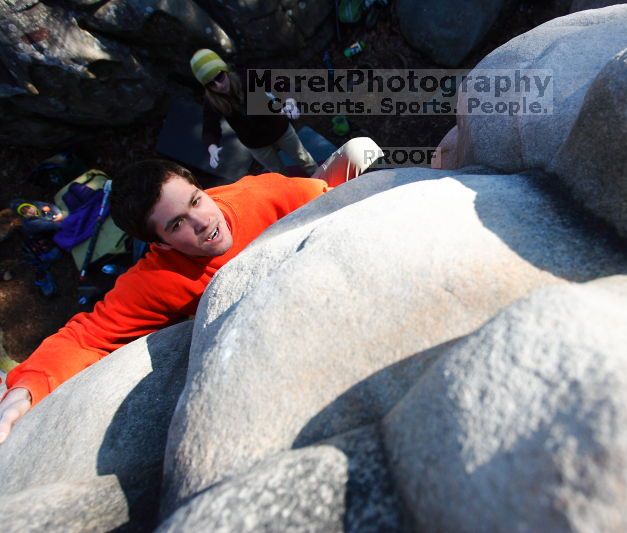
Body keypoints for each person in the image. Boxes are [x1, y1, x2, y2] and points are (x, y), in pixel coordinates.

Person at [0, 138, 383, 444]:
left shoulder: (257, 195)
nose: (204, 222)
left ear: (201, 188)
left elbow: (323, 197)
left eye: (196, 200)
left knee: (359, 148)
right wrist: (26, 390)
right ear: (160, 244)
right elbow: (87, 337)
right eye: (177, 223)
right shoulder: (157, 277)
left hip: (302, 202)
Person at [192, 49, 318, 176]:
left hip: (278, 128)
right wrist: (212, 147)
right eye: (211, 84)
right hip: (256, 144)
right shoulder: (212, 101)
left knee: (304, 159)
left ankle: (324, 182)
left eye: (219, 77)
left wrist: (289, 101)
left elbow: (278, 82)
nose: (219, 85)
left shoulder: (245, 75)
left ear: (225, 70)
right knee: (278, 174)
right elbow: (210, 126)